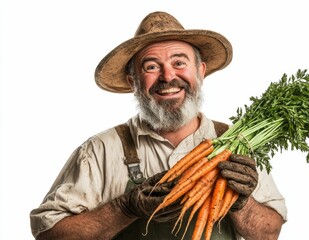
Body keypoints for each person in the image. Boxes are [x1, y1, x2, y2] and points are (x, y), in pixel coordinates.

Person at [30, 11, 287, 240]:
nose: (167, 76)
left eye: (179, 62)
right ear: (133, 82)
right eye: (151, 66)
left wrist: (242, 204)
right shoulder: (100, 151)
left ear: (201, 71)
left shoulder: (236, 144)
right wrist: (124, 208)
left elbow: (269, 233)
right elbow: (49, 235)